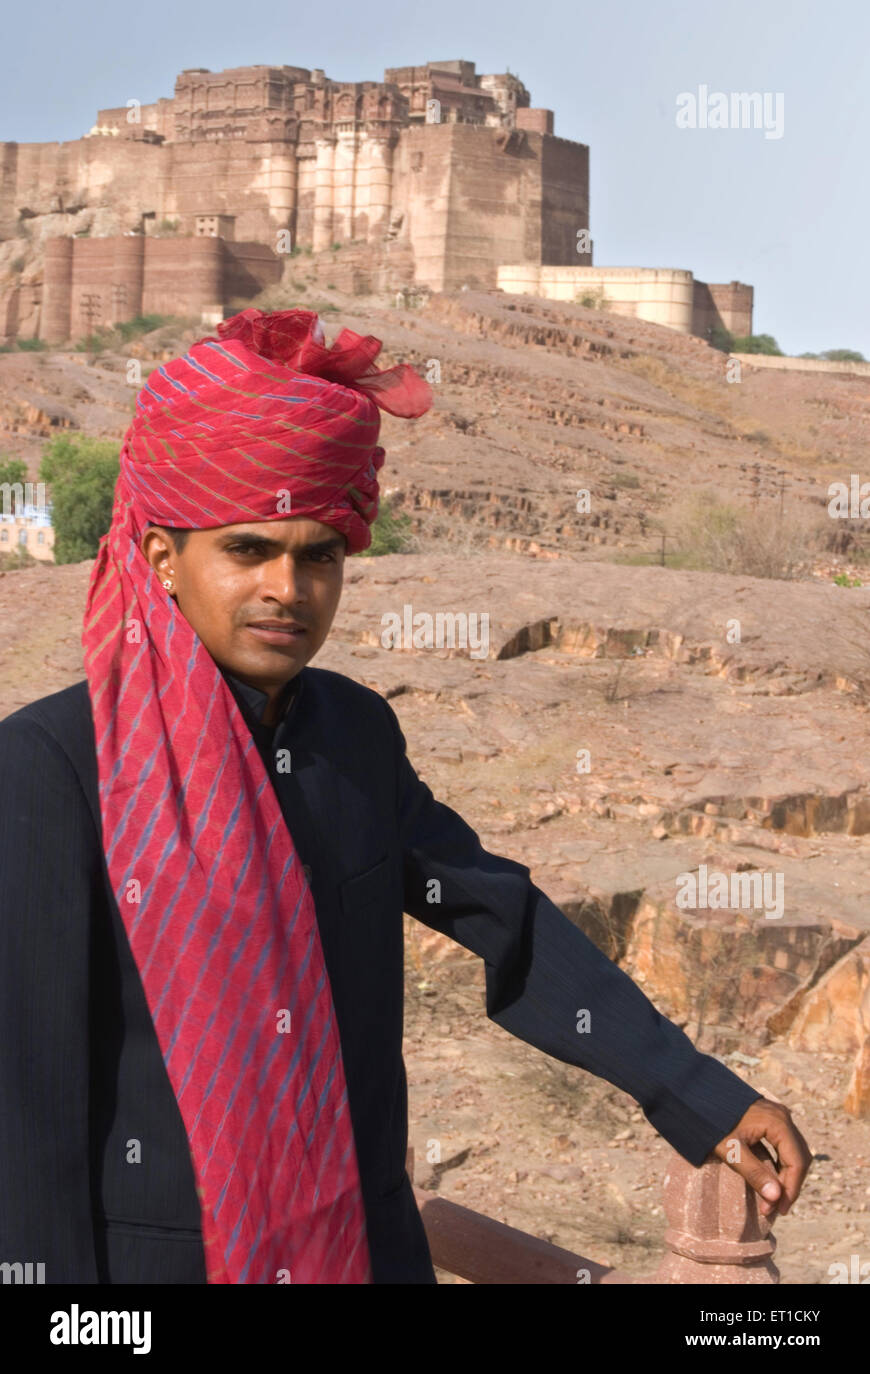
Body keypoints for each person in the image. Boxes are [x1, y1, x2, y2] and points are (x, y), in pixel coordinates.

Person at [0, 307, 811, 1285]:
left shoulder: (353, 738)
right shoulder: (52, 766)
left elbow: (498, 914)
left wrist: (699, 1095)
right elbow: (30, 1121)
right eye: (249, 550)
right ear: (164, 558)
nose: (288, 588)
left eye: (320, 554)